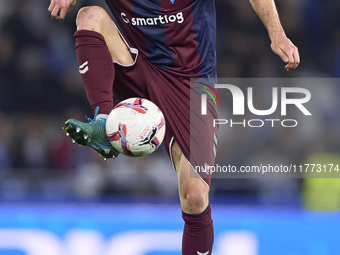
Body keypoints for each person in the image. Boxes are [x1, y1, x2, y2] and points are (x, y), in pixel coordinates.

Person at [48, 0, 300, 254]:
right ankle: (103, 123)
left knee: (195, 196)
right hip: (138, 64)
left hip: (192, 86)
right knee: (89, 16)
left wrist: (277, 33)